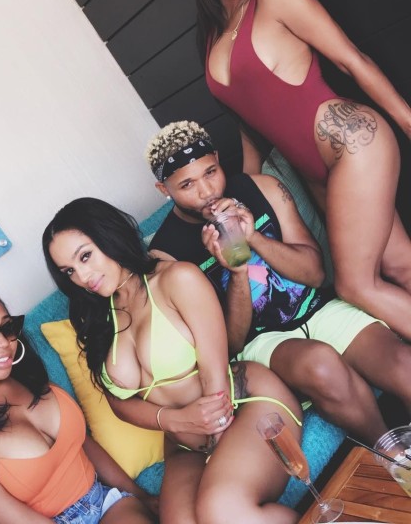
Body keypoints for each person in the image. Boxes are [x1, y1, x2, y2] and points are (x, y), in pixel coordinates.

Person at [177, 0, 411, 340]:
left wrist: (408, 122)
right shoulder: (210, 37)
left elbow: (351, 60)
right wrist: (247, 188)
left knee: (355, 285)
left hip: (351, 145)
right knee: (399, 264)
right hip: (314, 171)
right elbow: (247, 120)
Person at [145, 120, 411, 446]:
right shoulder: (166, 256)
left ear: (217, 159)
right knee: (322, 366)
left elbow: (315, 274)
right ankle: (395, 458)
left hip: (318, 308)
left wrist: (254, 237)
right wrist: (238, 272)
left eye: (211, 172)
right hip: (263, 341)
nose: (207, 192)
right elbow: (230, 343)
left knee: (403, 365)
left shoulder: (263, 188)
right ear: (164, 190)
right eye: (187, 184)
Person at [43, 198, 303, 524]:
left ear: (109, 236)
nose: (82, 276)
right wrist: (175, 421)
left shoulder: (177, 279)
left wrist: (218, 436)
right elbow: (119, 402)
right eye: (69, 271)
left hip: (243, 403)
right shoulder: (96, 318)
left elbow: (214, 370)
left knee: (222, 511)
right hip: (185, 445)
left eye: (85, 256)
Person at [0, 285, 157, 524]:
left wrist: (143, 497)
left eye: (8, 328)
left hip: (106, 502)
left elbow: (81, 444)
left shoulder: (28, 378)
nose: (4, 342)